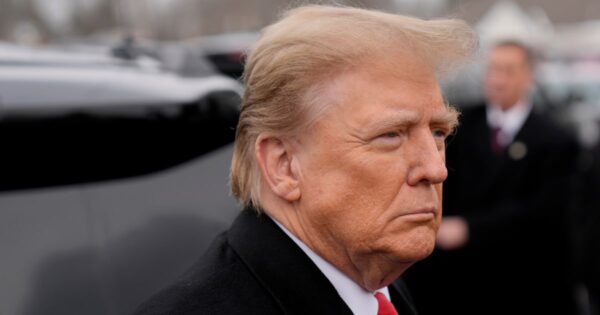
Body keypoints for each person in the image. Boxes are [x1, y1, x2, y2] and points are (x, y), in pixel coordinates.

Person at [134, 5, 475, 315]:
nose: (436, 168)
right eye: (391, 135)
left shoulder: (374, 282)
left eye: (438, 133)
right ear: (284, 165)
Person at [405, 41, 579, 314]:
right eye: (493, 69)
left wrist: (470, 228)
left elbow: (545, 211)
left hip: (522, 279)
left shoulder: (556, 139)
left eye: (508, 70)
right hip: (458, 280)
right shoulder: (457, 128)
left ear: (529, 75)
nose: (498, 79)